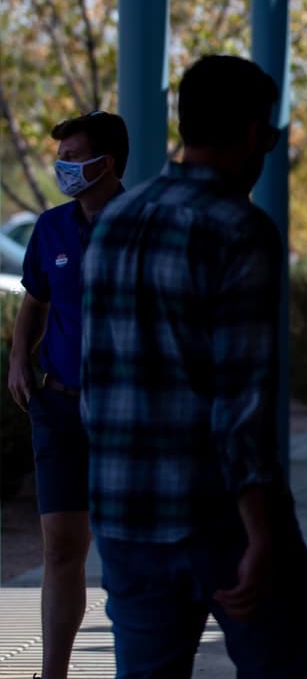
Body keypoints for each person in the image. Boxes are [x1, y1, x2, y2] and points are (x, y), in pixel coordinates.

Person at [80, 55, 307, 677]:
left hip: (125, 513)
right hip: (218, 519)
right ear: (247, 133)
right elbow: (240, 401)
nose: (268, 147)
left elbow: (97, 380)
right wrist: (262, 531)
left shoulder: (112, 224)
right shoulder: (239, 229)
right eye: (268, 134)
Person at [6, 110, 127, 679]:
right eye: (63, 157)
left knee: (128, 549)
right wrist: (17, 361)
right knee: (61, 547)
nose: (65, 167)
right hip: (57, 405)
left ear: (109, 163)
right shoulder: (51, 228)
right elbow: (35, 300)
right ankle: (54, 673)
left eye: (75, 157)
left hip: (126, 413)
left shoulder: (141, 223)